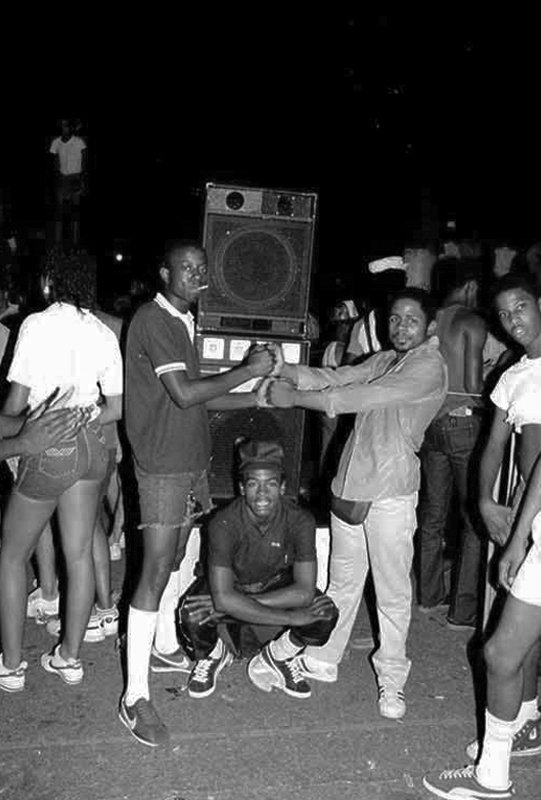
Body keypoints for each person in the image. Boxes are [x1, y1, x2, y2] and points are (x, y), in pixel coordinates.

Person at [260, 287, 447, 719]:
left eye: (411, 319)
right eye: (394, 318)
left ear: (430, 326)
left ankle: (392, 679)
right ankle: (323, 657)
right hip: (352, 484)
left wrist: (297, 398)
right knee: (342, 583)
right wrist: (285, 369)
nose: (400, 326)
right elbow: (338, 378)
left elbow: (359, 398)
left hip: (391, 492)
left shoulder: (428, 367)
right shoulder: (385, 360)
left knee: (392, 593)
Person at [120, 240, 276, 748]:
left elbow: (196, 398)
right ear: (164, 273)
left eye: (203, 268)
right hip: (163, 466)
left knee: (175, 559)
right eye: (186, 268)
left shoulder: (184, 322)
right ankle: (134, 697)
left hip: (189, 463)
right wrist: (248, 371)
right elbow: (185, 393)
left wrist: (251, 397)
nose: (197, 275)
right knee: (154, 569)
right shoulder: (153, 319)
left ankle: (163, 642)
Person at [423, 273, 541, 799]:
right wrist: (488, 501)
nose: (514, 319)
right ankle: (526, 723)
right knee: (522, 638)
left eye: (522, 306)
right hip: (526, 514)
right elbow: (493, 445)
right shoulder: (513, 375)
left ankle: (491, 778)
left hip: (534, 519)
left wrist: (516, 538)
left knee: (499, 652)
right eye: (506, 314)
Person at [0, 251, 123, 693]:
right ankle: (69, 658)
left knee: (12, 556)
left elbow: (15, 407)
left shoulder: (35, 325)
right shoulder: (102, 332)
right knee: (79, 553)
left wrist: (27, 429)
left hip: (52, 446)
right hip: (92, 446)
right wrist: (82, 417)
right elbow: (116, 409)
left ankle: (12, 666)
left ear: (49, 281)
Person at [179, 440, 338, 700]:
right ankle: (216, 654)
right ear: (242, 488)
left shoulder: (300, 520)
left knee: (325, 613)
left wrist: (234, 604)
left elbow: (304, 591)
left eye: (271, 484)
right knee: (193, 614)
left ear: (283, 487)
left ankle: (277, 656)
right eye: (253, 484)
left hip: (272, 585)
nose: (262, 493)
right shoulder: (223, 522)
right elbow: (224, 595)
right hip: (230, 586)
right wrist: (291, 618)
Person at [416, 258, 487, 628]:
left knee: (432, 515)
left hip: (429, 423)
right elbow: (472, 387)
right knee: (473, 519)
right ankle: (462, 610)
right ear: (471, 286)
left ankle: (428, 597)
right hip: (462, 424)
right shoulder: (471, 322)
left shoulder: (431, 320)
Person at [49, 119, 87, 245]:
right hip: (62, 178)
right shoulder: (56, 142)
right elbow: (54, 162)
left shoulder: (79, 141)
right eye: (62, 126)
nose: (63, 128)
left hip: (75, 177)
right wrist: (57, 181)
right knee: (59, 211)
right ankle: (58, 242)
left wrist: (82, 181)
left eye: (66, 125)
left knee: (75, 211)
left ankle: (75, 242)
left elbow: (85, 162)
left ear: (70, 127)